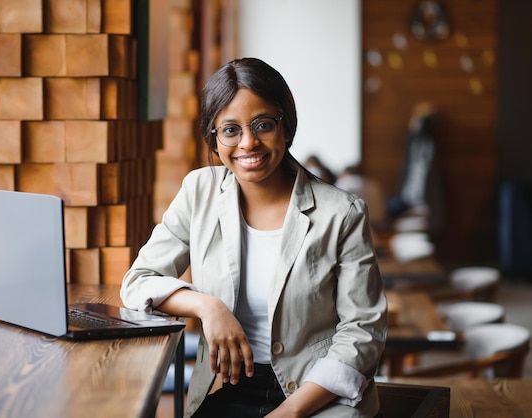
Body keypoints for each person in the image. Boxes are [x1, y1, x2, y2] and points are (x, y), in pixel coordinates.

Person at [121, 58, 387, 418]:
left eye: (263, 125)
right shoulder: (199, 191)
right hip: (225, 386)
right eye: (230, 130)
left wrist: (290, 412)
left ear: (286, 126)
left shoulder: (342, 212)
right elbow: (138, 282)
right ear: (214, 138)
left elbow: (363, 330)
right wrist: (206, 306)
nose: (248, 143)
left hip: (317, 395)